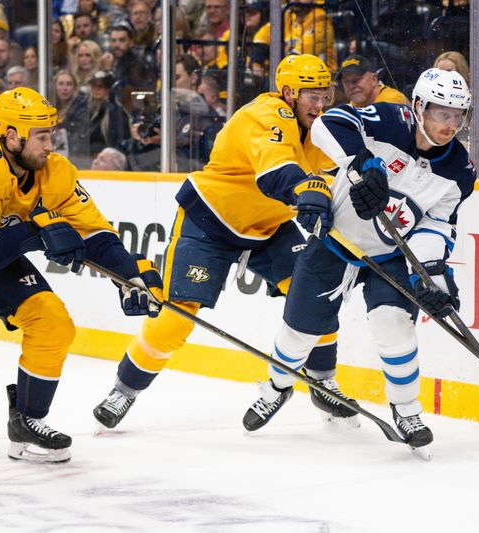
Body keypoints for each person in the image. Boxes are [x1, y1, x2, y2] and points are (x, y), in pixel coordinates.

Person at [92, 54, 356, 430]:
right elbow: (276, 169)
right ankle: (124, 390)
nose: (320, 103)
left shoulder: (318, 128)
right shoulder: (268, 114)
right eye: (311, 96)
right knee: (177, 315)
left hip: (269, 226)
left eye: (324, 94)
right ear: (287, 93)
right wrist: (305, 189)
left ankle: (323, 382)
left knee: (314, 295)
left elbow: (337, 172)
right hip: (211, 220)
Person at [242, 68, 474, 448]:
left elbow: (436, 225)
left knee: (394, 326)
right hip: (336, 240)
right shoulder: (389, 118)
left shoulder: (459, 172)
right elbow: (328, 124)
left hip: (391, 257)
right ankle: (277, 386)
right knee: (300, 332)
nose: (449, 124)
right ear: (418, 106)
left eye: (456, 116)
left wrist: (431, 274)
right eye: (440, 112)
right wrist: (364, 161)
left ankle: (406, 409)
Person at [0, 87, 163, 462]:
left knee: (53, 323)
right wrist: (38, 232)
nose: (49, 145)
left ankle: (27, 422)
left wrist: (129, 273)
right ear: (10, 136)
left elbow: (95, 233)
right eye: (41, 136)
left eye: (50, 134)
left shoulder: (54, 172)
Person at [338, 54, 410, 108]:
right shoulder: (356, 102)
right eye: (346, 81)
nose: (351, 86)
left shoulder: (390, 101)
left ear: (374, 79)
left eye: (357, 80)